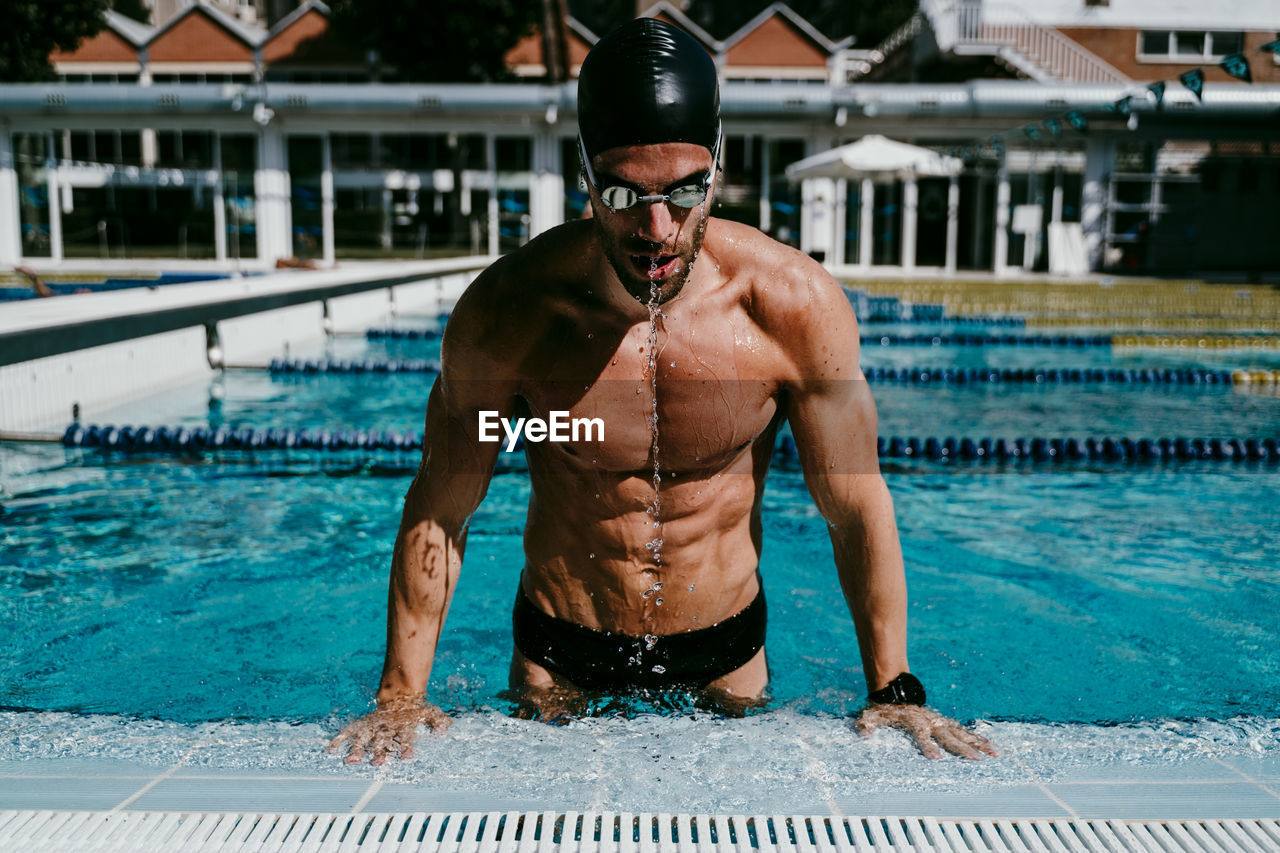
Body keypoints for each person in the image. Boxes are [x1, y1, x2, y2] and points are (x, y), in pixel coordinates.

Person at [330, 18, 996, 765]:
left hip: (726, 657)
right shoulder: (508, 316)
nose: (657, 227)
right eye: (623, 192)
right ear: (584, 172)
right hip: (559, 658)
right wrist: (401, 696)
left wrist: (893, 689)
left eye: (685, 191)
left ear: (716, 165)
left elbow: (856, 505)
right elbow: (441, 508)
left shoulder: (790, 306)